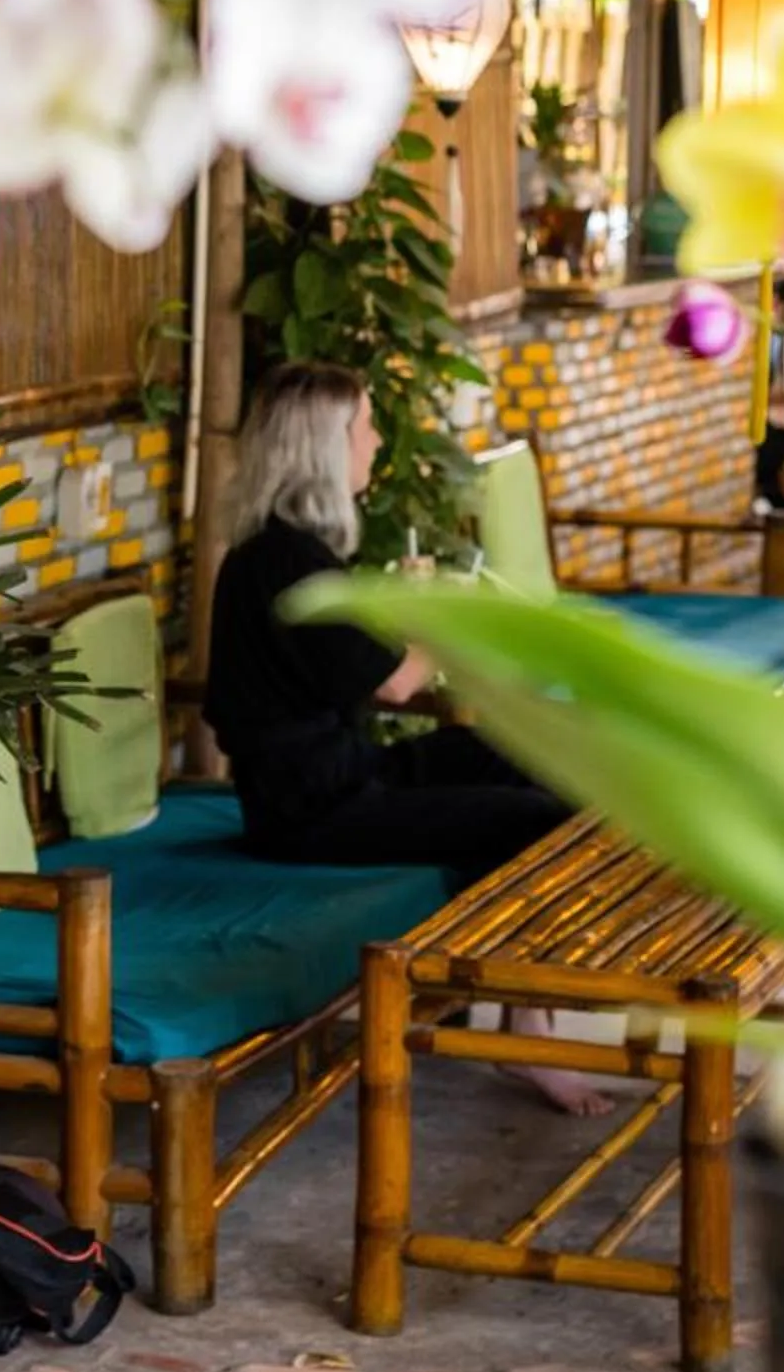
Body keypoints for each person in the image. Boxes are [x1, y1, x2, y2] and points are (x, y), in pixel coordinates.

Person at [202, 362, 608, 1115]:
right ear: (325, 448)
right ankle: (525, 1022)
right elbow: (392, 683)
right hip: (310, 807)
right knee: (533, 821)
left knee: (520, 760)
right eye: (365, 427)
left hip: (346, 771)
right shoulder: (285, 562)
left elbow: (356, 668)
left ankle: (525, 1002)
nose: (377, 442)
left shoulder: (290, 550)